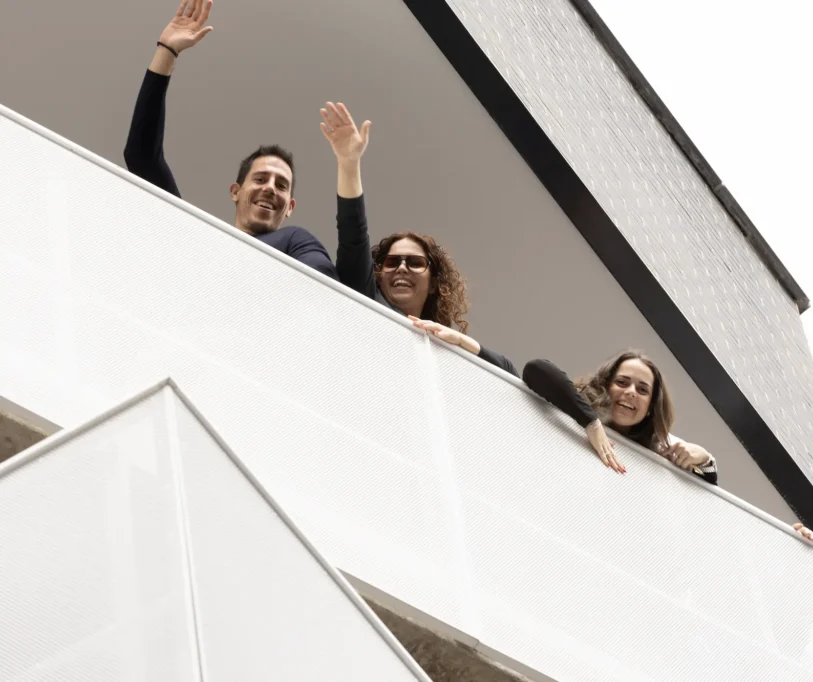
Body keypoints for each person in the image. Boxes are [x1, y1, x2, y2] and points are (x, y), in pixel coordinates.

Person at [123, 0, 336, 279]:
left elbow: (323, 282)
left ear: (290, 207)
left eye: (282, 185)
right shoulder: (196, 236)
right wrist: (168, 50)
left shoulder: (295, 241)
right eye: (260, 179)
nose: (271, 188)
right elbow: (141, 157)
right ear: (235, 191)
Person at [319, 101, 517, 376]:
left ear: (435, 281)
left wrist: (461, 342)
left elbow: (508, 371)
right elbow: (353, 234)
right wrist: (349, 163)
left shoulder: (444, 344)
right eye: (391, 262)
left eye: (414, 262)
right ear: (378, 274)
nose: (401, 267)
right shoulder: (366, 296)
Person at [521, 352, 718, 482]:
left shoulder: (660, 446)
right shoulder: (574, 406)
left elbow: (707, 487)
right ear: (606, 386)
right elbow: (536, 369)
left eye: (642, 390)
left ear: (651, 407)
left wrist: (705, 460)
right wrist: (592, 424)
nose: (631, 392)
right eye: (622, 383)